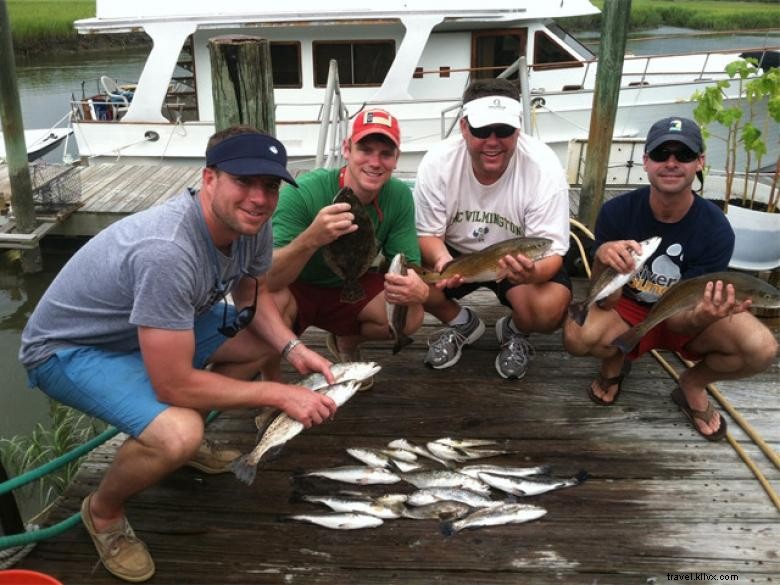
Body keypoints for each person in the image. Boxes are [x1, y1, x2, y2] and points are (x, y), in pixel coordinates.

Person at [18, 126, 340, 583]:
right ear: (208, 179)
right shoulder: (168, 250)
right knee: (178, 432)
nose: (258, 198)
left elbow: (251, 291)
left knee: (259, 340)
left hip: (144, 328)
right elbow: (172, 385)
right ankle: (104, 513)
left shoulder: (252, 225)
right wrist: (278, 394)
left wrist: (293, 348)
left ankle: (181, 445)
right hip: (69, 348)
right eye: (243, 181)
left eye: (269, 186)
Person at [563, 116, 777, 441]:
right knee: (578, 334)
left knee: (761, 348)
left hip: (686, 312)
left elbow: (678, 322)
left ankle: (692, 383)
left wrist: (705, 314)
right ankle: (616, 359)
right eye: (662, 154)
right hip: (627, 310)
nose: (672, 163)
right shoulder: (617, 212)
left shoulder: (716, 229)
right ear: (646, 161)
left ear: (700, 162)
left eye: (684, 155)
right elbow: (606, 301)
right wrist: (602, 256)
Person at [414, 78, 572, 380]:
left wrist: (531, 274)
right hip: (456, 253)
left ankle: (515, 330)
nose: (493, 141)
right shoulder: (437, 162)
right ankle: (462, 323)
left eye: (504, 130)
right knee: (409, 280)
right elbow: (428, 235)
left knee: (550, 308)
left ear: (519, 129)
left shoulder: (544, 168)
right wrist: (442, 262)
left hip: (517, 259)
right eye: (481, 130)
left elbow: (552, 252)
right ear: (463, 127)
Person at [264, 108, 428, 389]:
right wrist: (311, 238)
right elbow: (267, 278)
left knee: (411, 314)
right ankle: (271, 384)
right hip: (297, 288)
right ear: (347, 149)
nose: (375, 162)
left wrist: (419, 289)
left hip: (350, 287)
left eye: (385, 154)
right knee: (266, 305)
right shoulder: (301, 193)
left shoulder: (399, 195)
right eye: (365, 149)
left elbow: (407, 264)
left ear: (396, 159)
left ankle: (347, 340)